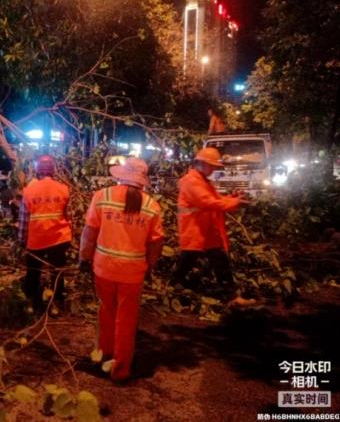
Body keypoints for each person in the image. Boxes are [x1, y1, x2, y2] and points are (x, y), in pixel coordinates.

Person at [79, 157, 164, 383]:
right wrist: (151, 265)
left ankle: (105, 357)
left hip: (104, 267)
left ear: (120, 175)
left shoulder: (103, 196)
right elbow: (156, 241)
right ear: (142, 180)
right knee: (126, 320)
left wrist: (83, 258)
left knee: (106, 311)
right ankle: (121, 369)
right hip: (133, 271)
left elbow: (89, 233)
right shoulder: (151, 205)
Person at [174, 147, 251, 305]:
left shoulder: (201, 180)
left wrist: (232, 198)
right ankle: (172, 287)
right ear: (201, 163)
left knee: (219, 260)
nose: (214, 169)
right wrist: (235, 202)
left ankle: (231, 296)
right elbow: (208, 202)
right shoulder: (192, 181)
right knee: (187, 261)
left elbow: (214, 199)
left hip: (204, 229)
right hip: (195, 229)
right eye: (212, 165)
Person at [19, 155, 72, 315]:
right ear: (53, 170)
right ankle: (56, 305)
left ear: (37, 171)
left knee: (33, 271)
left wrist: (21, 240)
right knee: (57, 272)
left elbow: (24, 219)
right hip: (59, 237)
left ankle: (30, 304)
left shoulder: (28, 191)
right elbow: (69, 216)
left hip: (37, 238)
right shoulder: (63, 189)